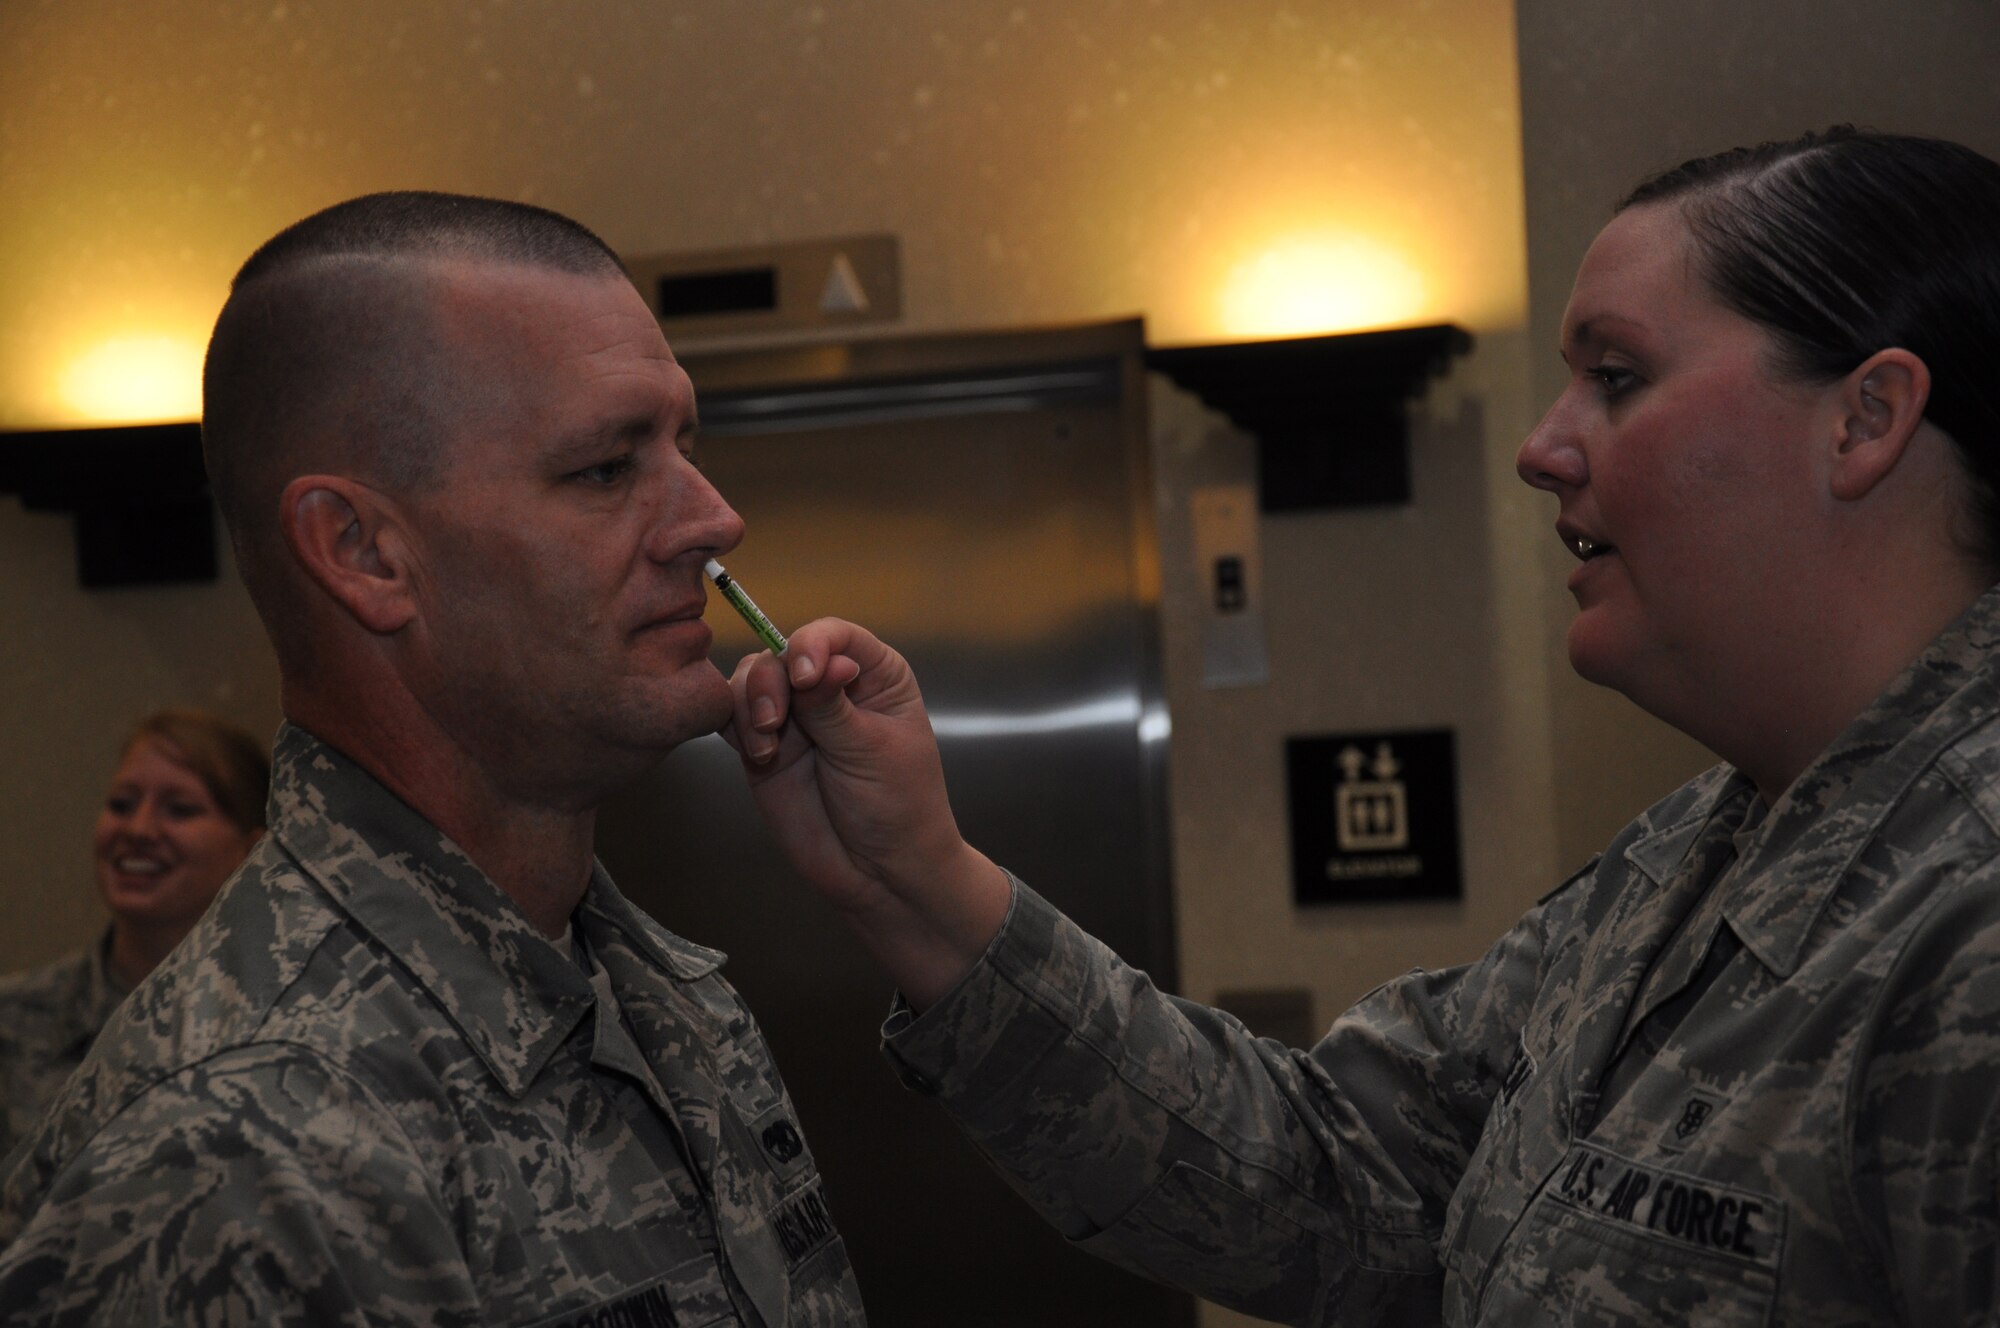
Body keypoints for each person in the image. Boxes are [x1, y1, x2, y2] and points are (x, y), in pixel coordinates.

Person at [721, 127, 2000, 1324]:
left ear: (1864, 418)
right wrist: (918, 882)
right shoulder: (1695, 851)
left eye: (1614, 378)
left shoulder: (1966, 915)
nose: (1543, 446)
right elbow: (1333, 1179)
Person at [0, 194, 865, 1325]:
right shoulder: (240, 1145)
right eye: (607, 467)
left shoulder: (652, 986)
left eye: (683, 446)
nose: (711, 521)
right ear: (363, 553)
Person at [0, 709, 267, 1158]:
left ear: (250, 849)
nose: (138, 830)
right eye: (121, 804)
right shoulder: (11, 1023)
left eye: (180, 810)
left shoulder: (278, 1025)